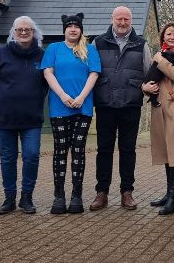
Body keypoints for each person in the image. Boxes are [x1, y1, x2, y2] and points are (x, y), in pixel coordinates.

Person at [90, 6, 152, 211]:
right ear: (112, 19)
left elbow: (149, 73)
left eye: (126, 19)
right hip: (105, 104)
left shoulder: (141, 44)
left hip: (130, 104)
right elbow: (91, 71)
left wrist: (145, 88)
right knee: (104, 150)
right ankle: (102, 192)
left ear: (131, 20)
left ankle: (127, 192)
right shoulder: (97, 42)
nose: (123, 22)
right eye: (119, 19)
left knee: (128, 150)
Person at [0, 16, 48, 215]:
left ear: (34, 32)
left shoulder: (41, 56)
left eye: (27, 29)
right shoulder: (0, 54)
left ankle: (27, 197)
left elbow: (47, 83)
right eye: (19, 29)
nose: (23, 32)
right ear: (13, 32)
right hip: (5, 118)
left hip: (31, 119)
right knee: (8, 159)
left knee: (31, 156)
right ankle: (9, 198)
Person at [42, 13, 101, 214]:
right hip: (59, 106)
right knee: (60, 149)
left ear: (81, 29)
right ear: (64, 29)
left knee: (78, 149)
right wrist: (63, 95)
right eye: (69, 26)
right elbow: (48, 72)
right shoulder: (53, 49)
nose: (73, 29)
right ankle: (59, 195)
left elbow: (93, 74)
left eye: (76, 26)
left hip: (82, 107)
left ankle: (76, 195)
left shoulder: (90, 50)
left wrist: (82, 97)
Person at [142, 22, 174, 215]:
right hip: (159, 108)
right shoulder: (160, 53)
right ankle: (168, 193)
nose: (171, 37)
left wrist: (160, 60)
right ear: (163, 37)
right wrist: (144, 88)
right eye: (168, 34)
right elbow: (149, 78)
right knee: (166, 152)